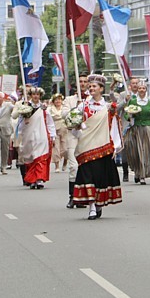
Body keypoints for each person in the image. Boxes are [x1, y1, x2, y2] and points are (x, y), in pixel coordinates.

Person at [71, 74, 123, 220]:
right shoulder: (83, 105)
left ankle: (99, 203)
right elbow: (75, 124)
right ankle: (92, 206)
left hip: (102, 145)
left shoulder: (107, 107)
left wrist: (114, 145)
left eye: (94, 86)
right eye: (90, 86)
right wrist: (76, 125)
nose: (91, 88)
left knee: (100, 177)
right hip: (87, 145)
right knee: (88, 175)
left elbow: (113, 126)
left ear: (101, 89)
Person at [14, 87, 56, 189]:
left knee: (40, 157)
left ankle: (39, 179)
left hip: (42, 135)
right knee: (31, 157)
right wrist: (24, 121)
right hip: (29, 135)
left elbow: (50, 123)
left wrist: (52, 135)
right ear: (30, 96)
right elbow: (19, 123)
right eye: (33, 94)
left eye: (37, 94)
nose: (36, 96)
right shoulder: (25, 108)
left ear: (40, 96)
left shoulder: (44, 109)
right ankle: (32, 179)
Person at [124, 81, 150, 185]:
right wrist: (130, 116)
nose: (141, 90)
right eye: (140, 88)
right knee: (135, 152)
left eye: (143, 88)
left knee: (145, 153)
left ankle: (142, 175)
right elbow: (126, 115)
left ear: (146, 90)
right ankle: (137, 171)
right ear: (137, 90)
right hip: (136, 128)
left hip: (147, 129)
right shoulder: (133, 101)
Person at [64, 72, 89, 208]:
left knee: (85, 168)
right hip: (73, 134)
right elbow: (64, 114)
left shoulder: (92, 99)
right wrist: (76, 108)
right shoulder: (69, 100)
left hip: (87, 137)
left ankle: (84, 196)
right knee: (73, 166)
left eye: (85, 81)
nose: (83, 84)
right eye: (81, 81)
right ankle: (72, 196)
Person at [49, 94, 69, 173]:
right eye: (56, 100)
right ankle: (57, 166)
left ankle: (65, 161)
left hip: (64, 129)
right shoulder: (50, 109)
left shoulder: (65, 108)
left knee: (65, 148)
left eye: (59, 99)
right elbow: (50, 117)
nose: (58, 101)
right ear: (53, 101)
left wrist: (58, 116)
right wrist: (60, 116)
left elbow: (67, 115)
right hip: (54, 130)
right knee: (56, 148)